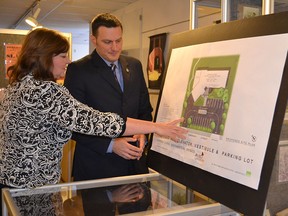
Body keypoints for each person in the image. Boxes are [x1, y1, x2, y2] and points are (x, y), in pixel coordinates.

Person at [0, 28, 186, 211]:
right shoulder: (45, 92)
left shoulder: (17, 87)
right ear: (45, 57)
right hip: (32, 192)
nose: (68, 60)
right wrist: (157, 127)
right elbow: (97, 121)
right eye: (63, 56)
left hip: (14, 187)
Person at [64, 13, 154, 181]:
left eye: (118, 41)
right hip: (96, 167)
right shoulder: (78, 70)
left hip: (135, 164)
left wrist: (143, 134)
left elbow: (144, 109)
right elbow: (72, 124)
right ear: (94, 39)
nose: (114, 47)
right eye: (107, 42)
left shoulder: (134, 66)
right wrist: (111, 145)